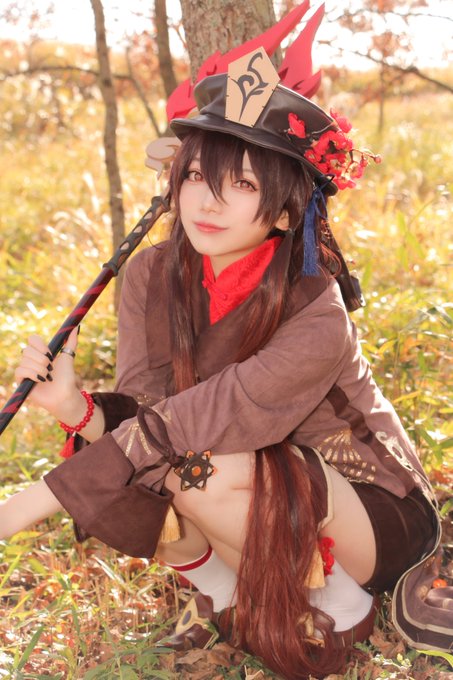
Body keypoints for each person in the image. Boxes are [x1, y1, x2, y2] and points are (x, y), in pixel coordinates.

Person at [1, 47, 445, 679]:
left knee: (198, 468)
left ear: (286, 210)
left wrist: (21, 510)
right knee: (170, 465)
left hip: (368, 510)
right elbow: (152, 416)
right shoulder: (151, 276)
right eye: (195, 176)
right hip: (248, 486)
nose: (208, 201)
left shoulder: (316, 307)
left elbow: (199, 421)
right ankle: (226, 591)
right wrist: (75, 409)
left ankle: (342, 604)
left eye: (244, 185)